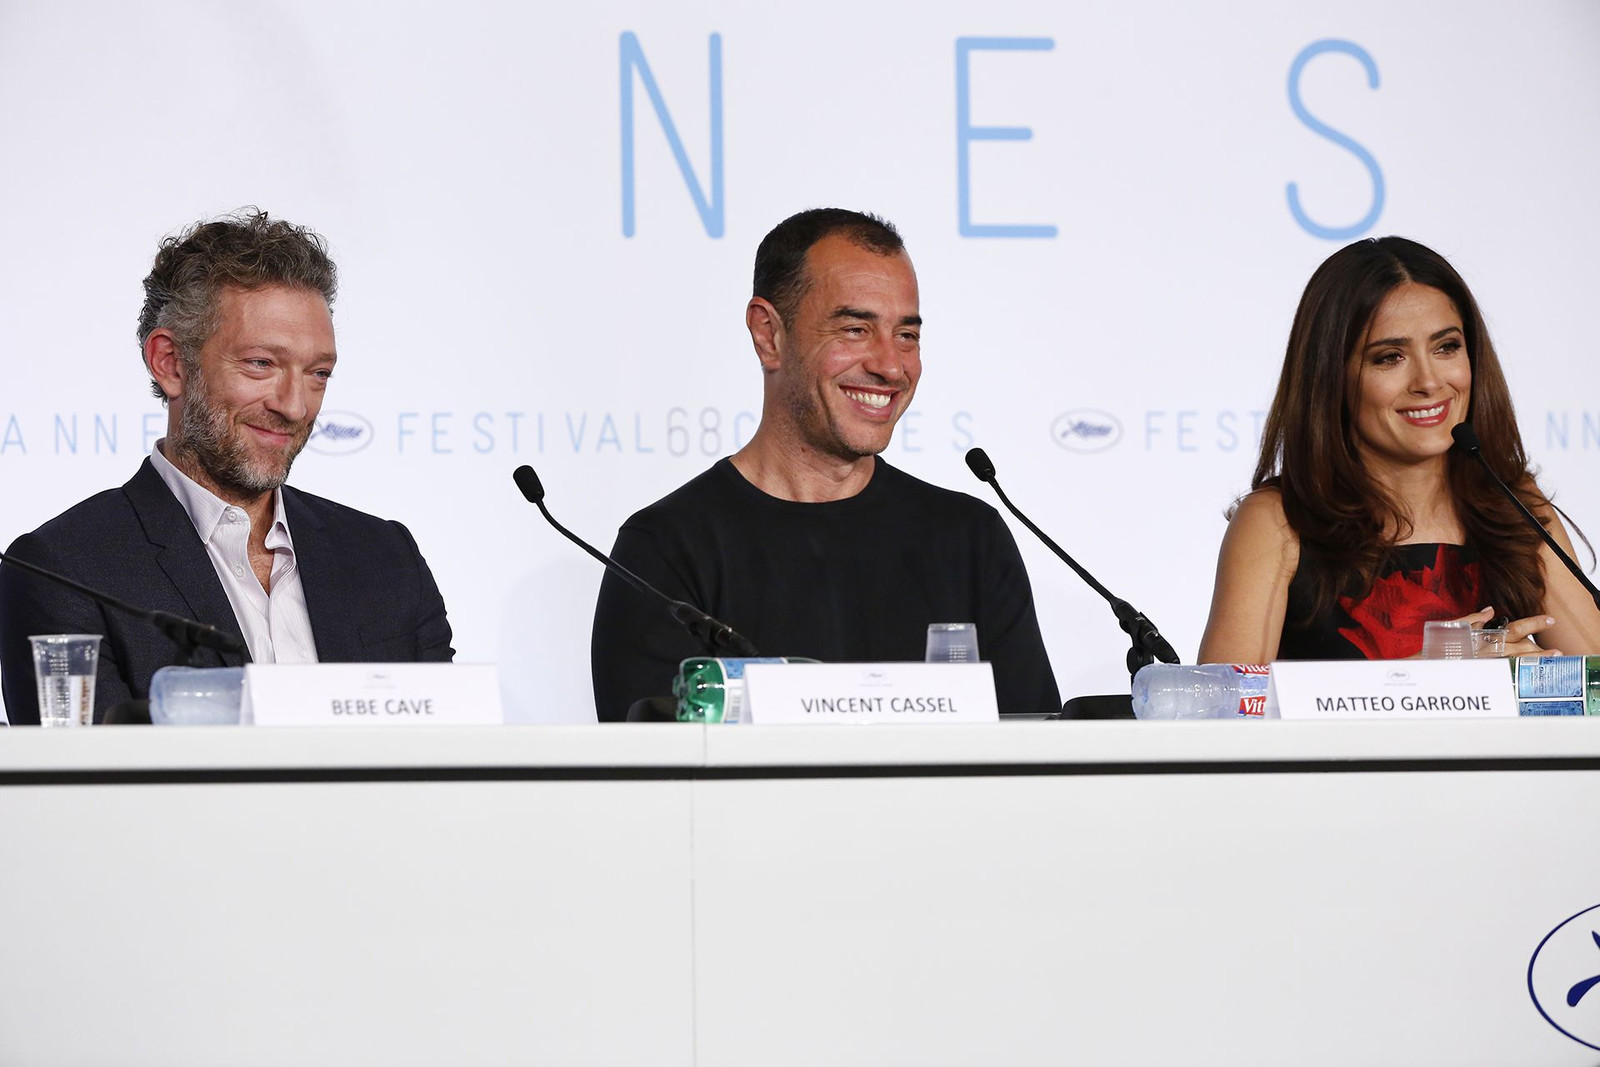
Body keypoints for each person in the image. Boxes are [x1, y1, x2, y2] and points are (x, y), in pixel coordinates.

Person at [590, 208, 1060, 720]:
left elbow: (1037, 750)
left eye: (906, 336)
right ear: (769, 335)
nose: (890, 366)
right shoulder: (665, 550)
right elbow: (654, 766)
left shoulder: (970, 539)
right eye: (855, 329)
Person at [0, 211, 453, 724]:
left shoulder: (384, 556)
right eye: (261, 363)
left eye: (318, 373)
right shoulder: (65, 568)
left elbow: (451, 750)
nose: (295, 406)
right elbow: (86, 774)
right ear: (170, 362)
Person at [1198, 235, 1600, 662]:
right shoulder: (1277, 521)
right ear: (1331, 377)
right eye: (1389, 357)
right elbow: (1226, 698)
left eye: (1446, 347)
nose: (1428, 382)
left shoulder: (1514, 506)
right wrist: (1425, 678)